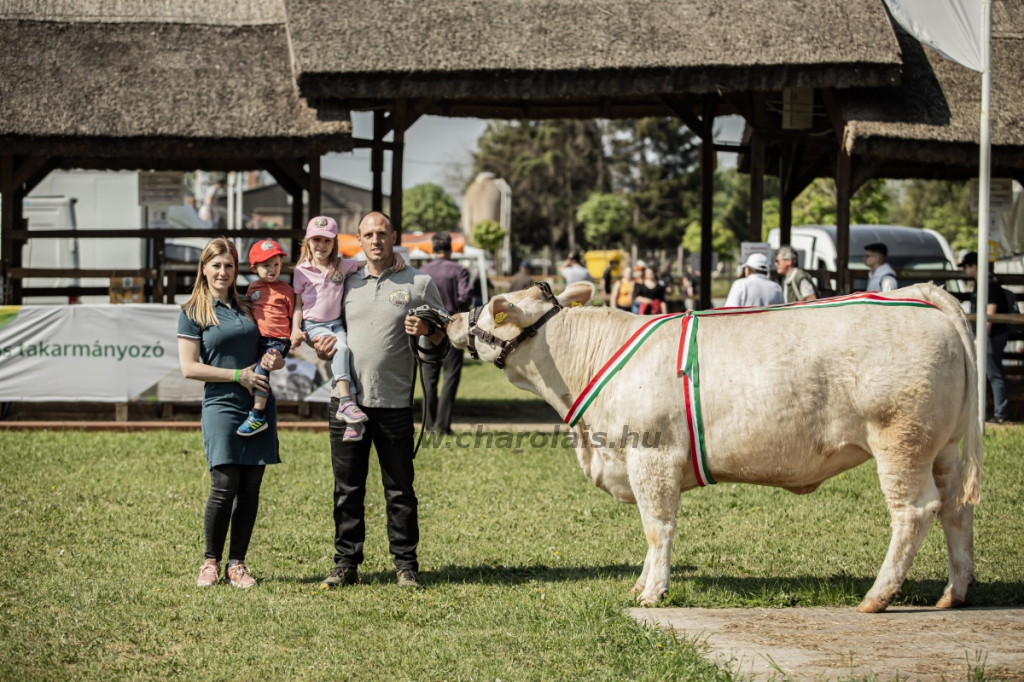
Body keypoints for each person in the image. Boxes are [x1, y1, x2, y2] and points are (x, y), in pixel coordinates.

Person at [313, 212, 447, 591]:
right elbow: (326, 329)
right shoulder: (344, 280)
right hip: (346, 405)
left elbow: (445, 337)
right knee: (347, 489)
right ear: (358, 239)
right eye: (368, 234)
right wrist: (323, 348)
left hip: (394, 405)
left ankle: (406, 565)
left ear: (394, 237)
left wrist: (427, 330)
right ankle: (345, 563)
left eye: (382, 233)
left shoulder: (418, 281)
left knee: (400, 490)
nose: (376, 240)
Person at [177, 237, 285, 588]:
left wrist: (276, 360)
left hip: (258, 402)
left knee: (251, 488)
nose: (223, 271)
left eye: (229, 265)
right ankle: (210, 562)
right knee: (224, 485)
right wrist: (237, 376)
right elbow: (189, 368)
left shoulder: (246, 306)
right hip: (221, 404)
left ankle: (237, 564)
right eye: (216, 265)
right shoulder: (192, 311)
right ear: (204, 269)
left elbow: (270, 348)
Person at [291, 216, 405, 441]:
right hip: (314, 325)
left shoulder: (342, 266)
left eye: (327, 240)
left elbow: (373, 262)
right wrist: (296, 328)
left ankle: (354, 424)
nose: (321, 245)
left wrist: (395, 256)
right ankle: (345, 403)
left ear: (334, 243)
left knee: (349, 358)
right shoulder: (301, 271)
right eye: (316, 240)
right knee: (341, 350)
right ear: (307, 242)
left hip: (336, 324)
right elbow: (297, 306)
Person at [236, 239, 293, 436]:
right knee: (250, 368)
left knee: (261, 371)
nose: (272, 269)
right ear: (254, 268)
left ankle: (258, 415)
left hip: (277, 340)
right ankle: (247, 407)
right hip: (259, 339)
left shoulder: (286, 289)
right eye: (266, 265)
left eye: (276, 264)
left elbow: (294, 316)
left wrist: (295, 335)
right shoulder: (252, 288)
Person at [419, 232, 472, 435]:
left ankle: (429, 424)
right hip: (452, 329)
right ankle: (442, 426)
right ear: (450, 249)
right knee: (450, 376)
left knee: (428, 378)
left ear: (433, 249)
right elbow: (465, 296)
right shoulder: (459, 270)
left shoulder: (422, 271)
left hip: (428, 328)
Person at [961, 252, 1012, 423]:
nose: (964, 271)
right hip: (989, 336)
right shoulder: (981, 284)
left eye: (965, 267)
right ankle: (993, 411)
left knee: (994, 374)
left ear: (974, 267)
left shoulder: (988, 285)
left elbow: (989, 314)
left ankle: (1000, 414)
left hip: (991, 336)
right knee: (989, 373)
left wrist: (980, 339)